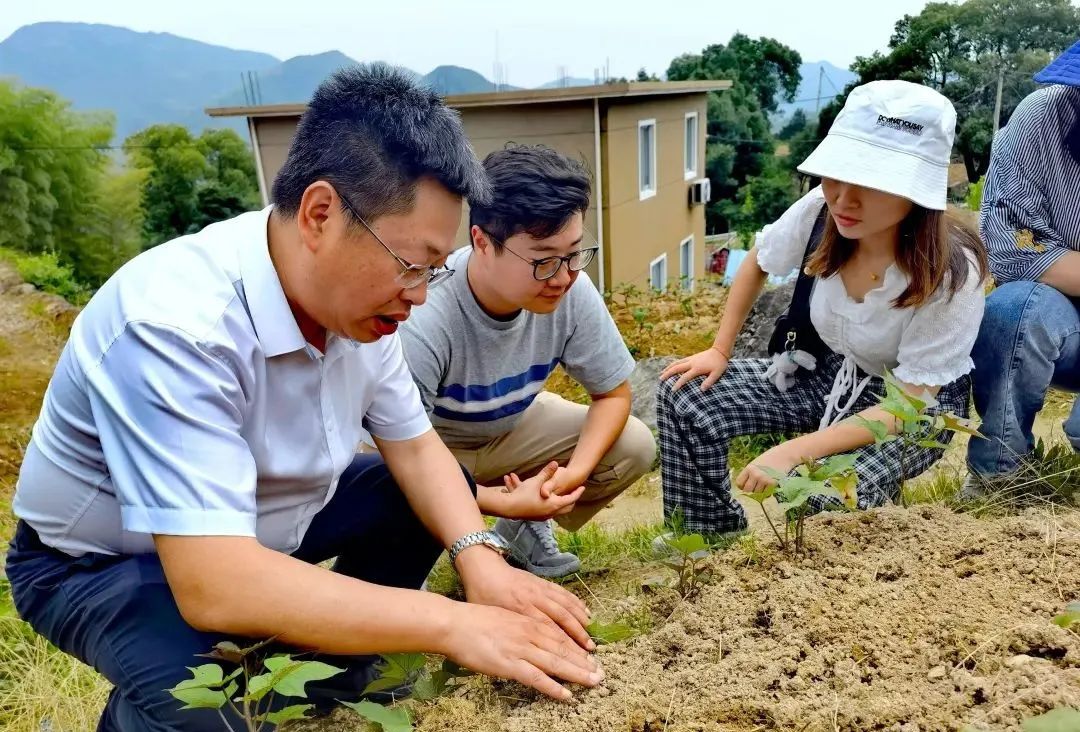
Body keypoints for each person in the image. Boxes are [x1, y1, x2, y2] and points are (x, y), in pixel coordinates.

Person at [5, 66, 602, 732]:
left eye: (435, 269)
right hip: (106, 561)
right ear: (321, 215)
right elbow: (216, 582)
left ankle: (334, 684)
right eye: (411, 264)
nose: (421, 292)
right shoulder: (176, 325)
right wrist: (452, 623)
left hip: (264, 516)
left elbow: (417, 448)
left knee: (426, 493)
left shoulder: (361, 304)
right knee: (215, 708)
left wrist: (477, 555)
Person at [657, 80, 989, 537]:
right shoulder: (820, 211)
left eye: (869, 184)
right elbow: (759, 259)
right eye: (836, 175)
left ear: (916, 192)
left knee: (824, 496)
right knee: (686, 393)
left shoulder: (950, 271)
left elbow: (908, 403)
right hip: (829, 371)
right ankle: (706, 537)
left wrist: (795, 452)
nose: (844, 199)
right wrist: (719, 349)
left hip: (913, 406)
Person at [400, 144, 655, 578]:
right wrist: (496, 498)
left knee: (633, 445)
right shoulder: (427, 317)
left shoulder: (571, 289)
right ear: (482, 242)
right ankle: (424, 547)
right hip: (425, 447)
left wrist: (573, 475)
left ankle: (521, 528)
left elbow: (613, 395)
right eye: (542, 261)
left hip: (509, 431)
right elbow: (396, 458)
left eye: (574, 253)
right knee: (396, 536)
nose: (561, 277)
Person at [966, 40, 1080, 490]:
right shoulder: (1040, 120)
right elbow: (1012, 245)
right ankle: (1000, 473)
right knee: (1012, 312)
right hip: (1058, 310)